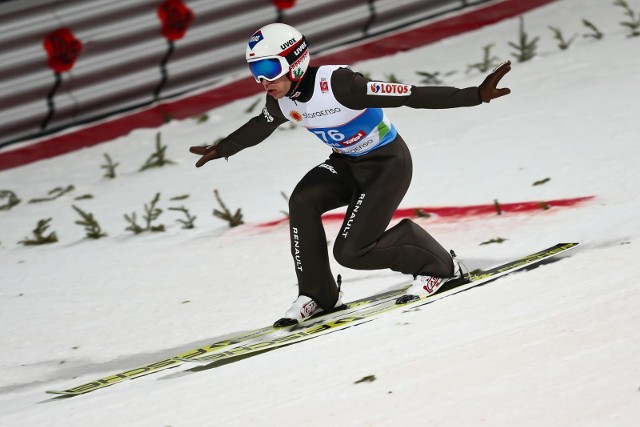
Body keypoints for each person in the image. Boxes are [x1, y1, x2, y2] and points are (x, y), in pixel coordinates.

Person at [190, 23, 511, 326]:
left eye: (268, 70)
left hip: (386, 165)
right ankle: (318, 294)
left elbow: (409, 95)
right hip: (346, 164)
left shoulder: (340, 85)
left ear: (295, 61)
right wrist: (222, 148)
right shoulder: (280, 101)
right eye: (255, 72)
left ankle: (441, 267)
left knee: (351, 252)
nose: (263, 81)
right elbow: (258, 127)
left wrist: (474, 95)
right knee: (302, 201)